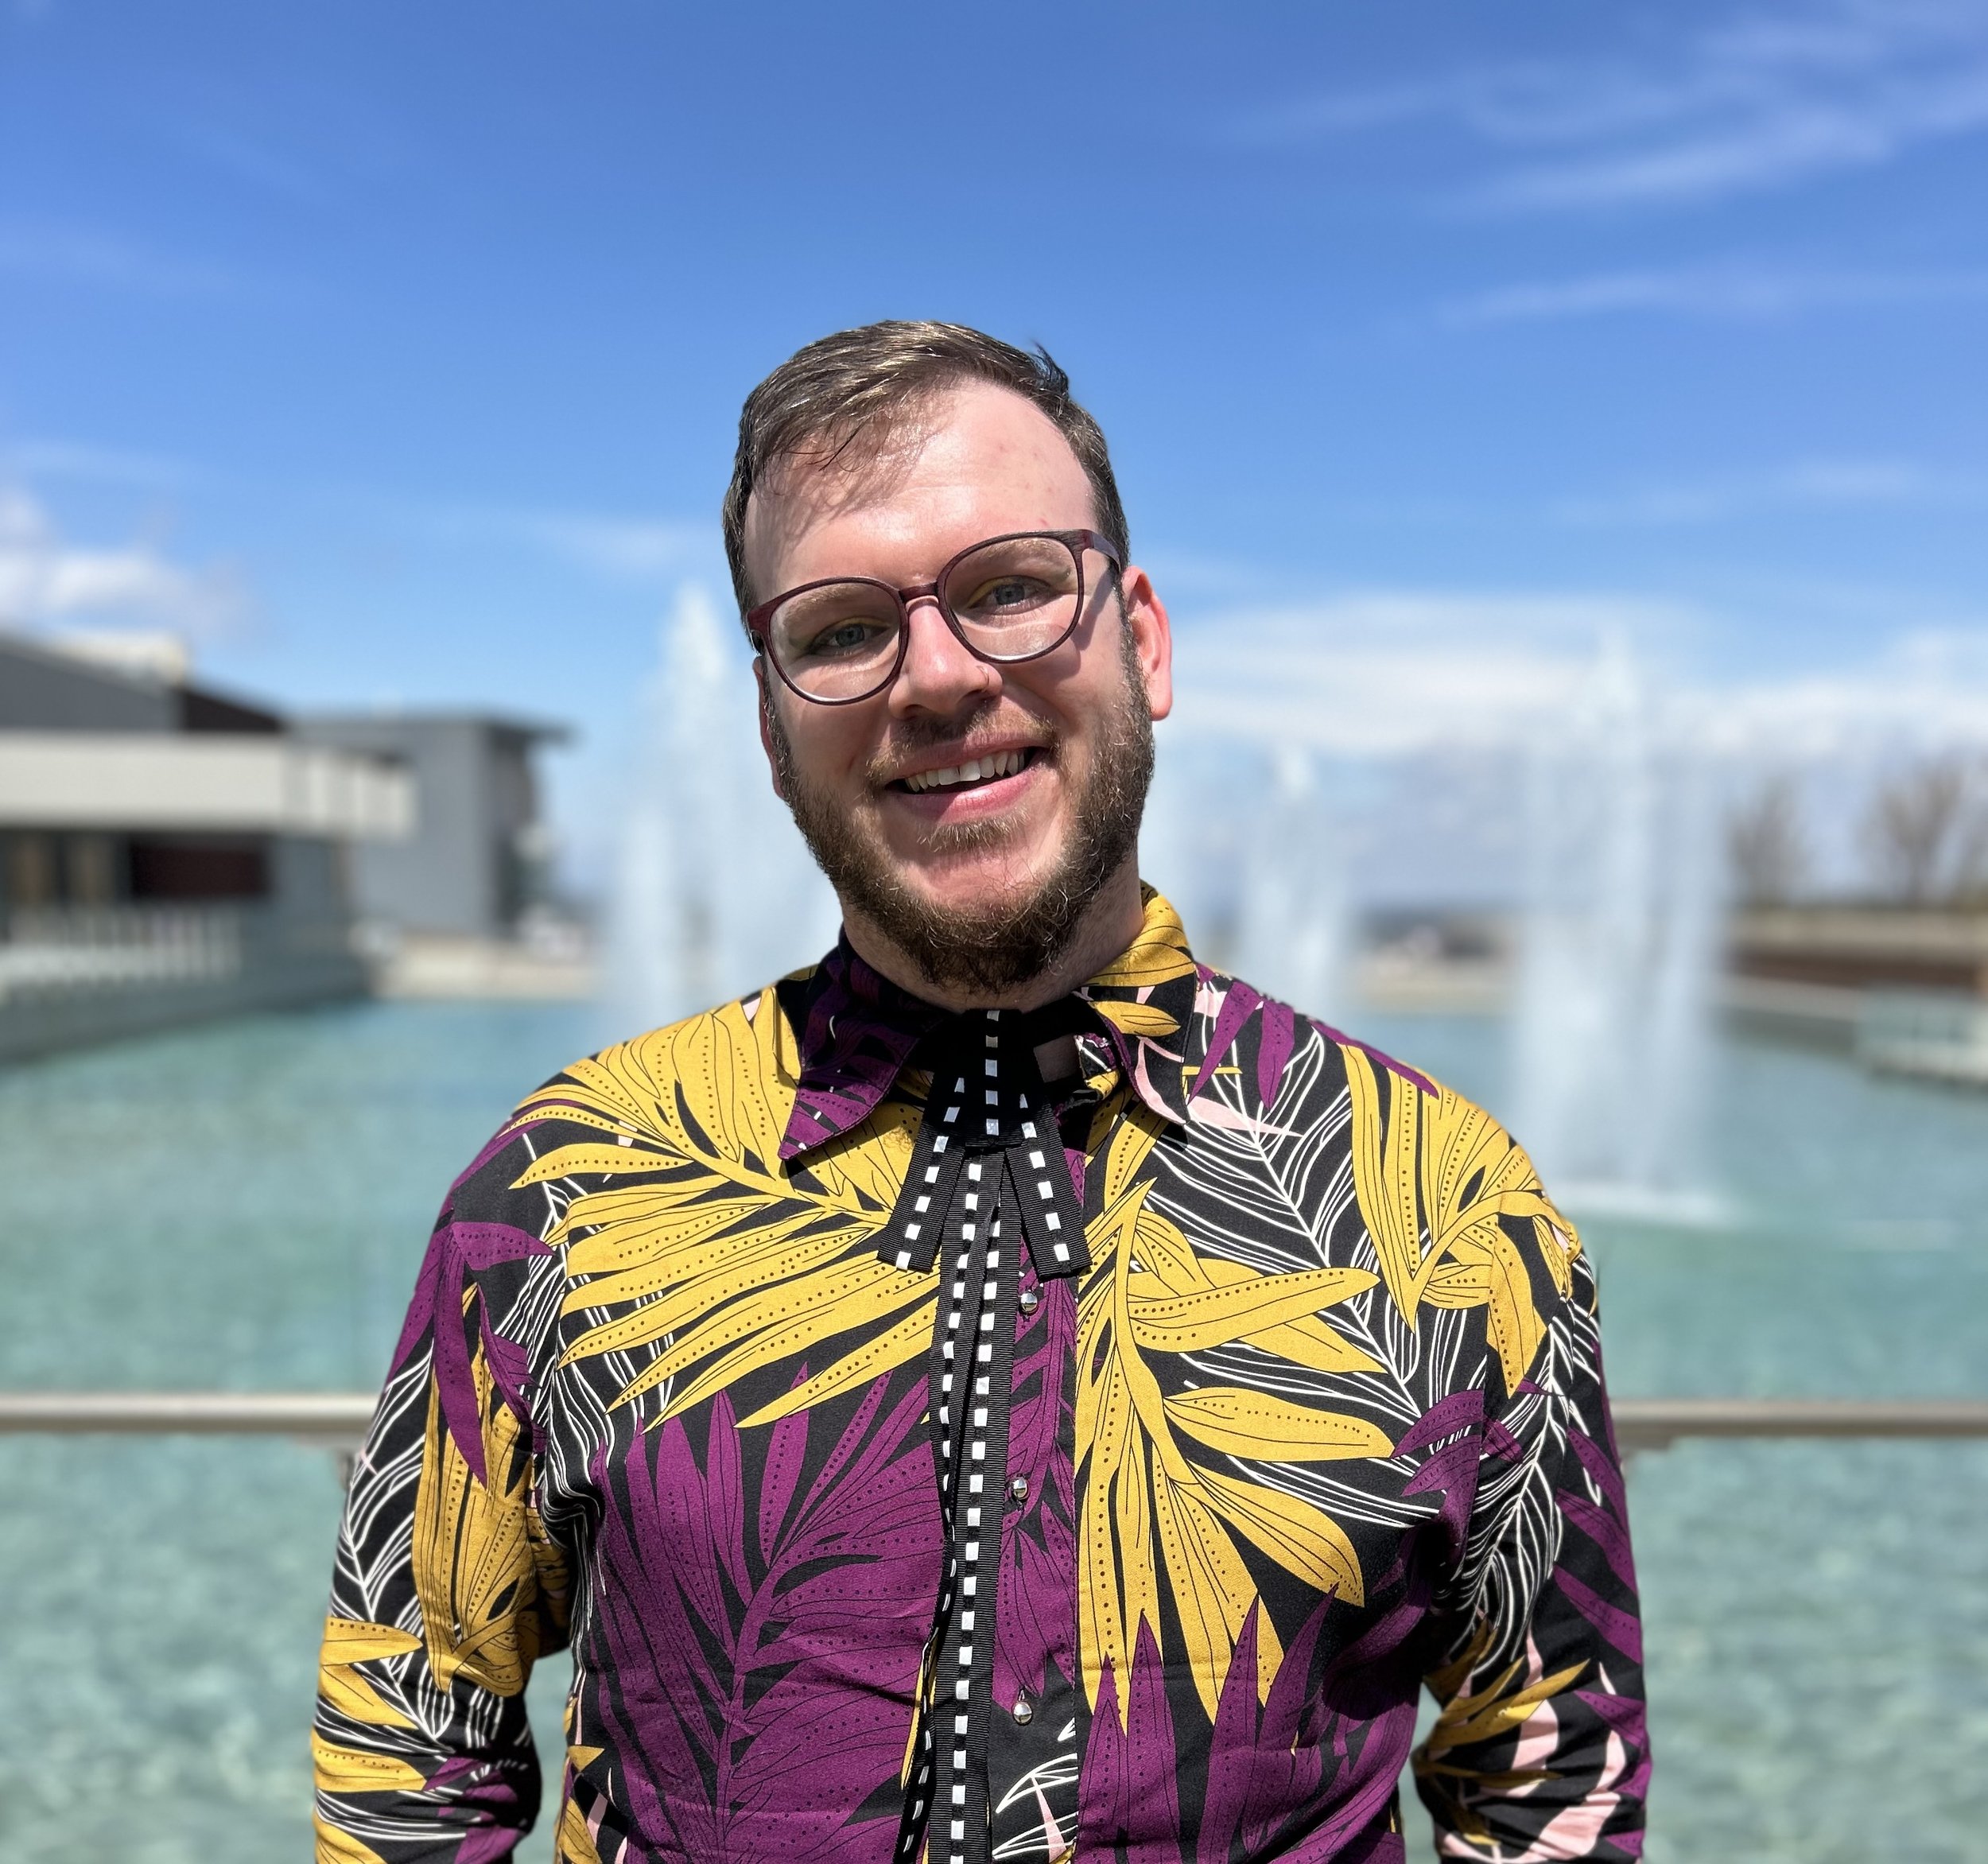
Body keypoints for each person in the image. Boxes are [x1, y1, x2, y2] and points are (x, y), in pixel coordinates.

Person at [313, 321, 1648, 1864]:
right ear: (765, 721)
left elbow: (1548, 1781)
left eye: (1011, 585)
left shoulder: (1442, 1197)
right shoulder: (562, 1187)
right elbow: (412, 1749)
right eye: (836, 627)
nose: (938, 674)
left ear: (1139, 639)